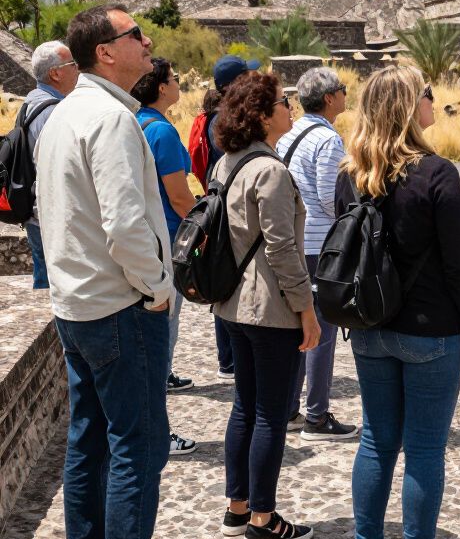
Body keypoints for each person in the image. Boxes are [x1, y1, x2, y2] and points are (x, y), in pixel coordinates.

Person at [35, 5, 208, 539]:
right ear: (105, 51)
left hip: (77, 306)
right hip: (121, 306)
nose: (148, 41)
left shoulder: (62, 116)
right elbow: (125, 224)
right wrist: (158, 287)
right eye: (136, 34)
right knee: (138, 445)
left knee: (89, 442)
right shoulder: (109, 119)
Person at [335, 64, 460, 539]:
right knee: (425, 449)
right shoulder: (437, 174)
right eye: (426, 94)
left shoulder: (349, 175)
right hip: (432, 333)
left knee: (377, 441)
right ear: (409, 106)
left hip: (371, 328)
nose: (433, 101)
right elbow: (458, 264)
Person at [210, 72, 321, 539]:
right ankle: (263, 519)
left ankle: (238, 508)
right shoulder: (271, 172)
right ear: (260, 115)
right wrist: (308, 309)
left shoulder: (227, 164)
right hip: (269, 309)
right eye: (282, 102)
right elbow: (282, 250)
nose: (289, 108)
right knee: (271, 415)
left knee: (245, 407)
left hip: (231, 304)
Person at [276, 67, 359, 442]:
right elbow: (330, 199)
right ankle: (317, 416)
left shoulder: (289, 134)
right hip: (317, 247)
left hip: (293, 243)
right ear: (329, 98)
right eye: (341, 89)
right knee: (322, 332)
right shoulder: (328, 140)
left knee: (298, 329)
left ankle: (290, 408)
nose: (345, 94)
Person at [131, 58, 198, 457]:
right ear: (160, 88)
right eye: (174, 79)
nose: (178, 85)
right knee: (162, 345)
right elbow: (178, 195)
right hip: (168, 241)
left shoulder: (134, 123)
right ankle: (159, 432)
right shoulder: (163, 132)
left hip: (144, 240)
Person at [188, 54, 259, 380]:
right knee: (230, 281)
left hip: (219, 207)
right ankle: (231, 359)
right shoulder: (225, 122)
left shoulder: (213, 118)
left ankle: (229, 358)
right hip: (230, 212)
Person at [25, 40, 79, 288]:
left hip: (35, 214)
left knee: (45, 283)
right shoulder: (55, 112)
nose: (78, 68)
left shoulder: (30, 102)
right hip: (53, 219)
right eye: (72, 64)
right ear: (55, 73)